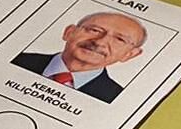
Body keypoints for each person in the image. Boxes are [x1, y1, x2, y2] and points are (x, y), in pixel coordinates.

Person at [12, 12, 147, 103]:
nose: (100, 42)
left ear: (130, 54)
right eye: (94, 30)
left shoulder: (116, 98)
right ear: (69, 32)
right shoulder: (17, 59)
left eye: (119, 39)